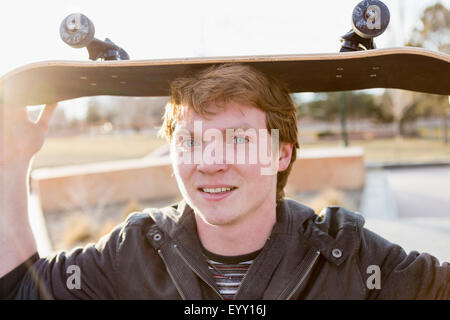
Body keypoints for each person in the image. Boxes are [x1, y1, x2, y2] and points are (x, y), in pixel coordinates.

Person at [0, 63, 449, 300]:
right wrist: (11, 164)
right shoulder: (133, 251)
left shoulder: (347, 254)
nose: (210, 163)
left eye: (237, 140)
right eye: (190, 141)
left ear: (281, 153)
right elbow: (22, 290)